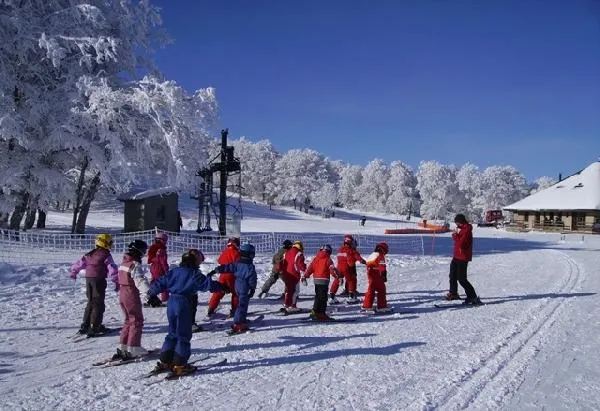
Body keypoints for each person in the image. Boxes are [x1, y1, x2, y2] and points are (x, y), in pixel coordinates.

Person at [147, 249, 227, 376]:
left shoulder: (174, 272)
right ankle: (180, 364)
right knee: (183, 335)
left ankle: (165, 360)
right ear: (194, 262)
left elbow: (161, 282)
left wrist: (151, 293)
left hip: (171, 303)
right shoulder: (194, 274)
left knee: (172, 333)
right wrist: (222, 287)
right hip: (184, 303)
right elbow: (207, 284)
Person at [111, 239, 154, 360]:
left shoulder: (124, 263)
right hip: (131, 294)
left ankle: (123, 346)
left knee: (128, 320)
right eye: (143, 251)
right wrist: (149, 294)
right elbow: (140, 281)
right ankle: (133, 347)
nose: (144, 254)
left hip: (122, 294)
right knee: (136, 320)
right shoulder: (134, 265)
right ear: (138, 251)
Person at [70, 233, 119, 337]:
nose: (111, 245)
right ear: (105, 243)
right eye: (110, 242)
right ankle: (95, 326)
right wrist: (116, 280)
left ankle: (85, 325)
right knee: (98, 302)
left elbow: (79, 263)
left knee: (91, 301)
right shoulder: (106, 254)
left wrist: (74, 272)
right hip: (99, 279)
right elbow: (112, 268)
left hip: (89, 279)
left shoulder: (90, 253)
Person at [208, 243, 258, 334]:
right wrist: (252, 288)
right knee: (242, 305)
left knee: (240, 303)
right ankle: (238, 323)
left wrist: (217, 270)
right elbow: (252, 279)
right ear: (250, 255)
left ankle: (241, 319)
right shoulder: (250, 267)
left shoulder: (238, 263)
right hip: (244, 286)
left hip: (237, 284)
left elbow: (228, 267)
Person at [445, 214, 482, 305]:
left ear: (461, 221)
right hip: (456, 255)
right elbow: (458, 241)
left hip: (463, 257)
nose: (456, 224)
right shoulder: (460, 228)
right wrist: (456, 234)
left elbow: (461, 243)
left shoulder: (467, 230)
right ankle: (453, 293)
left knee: (461, 278)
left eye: (457, 222)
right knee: (452, 275)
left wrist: (455, 235)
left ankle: (472, 296)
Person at [302, 244, 340, 321]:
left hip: (316, 281)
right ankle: (321, 314)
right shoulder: (328, 259)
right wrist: (338, 277)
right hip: (324, 280)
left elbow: (310, 268)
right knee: (323, 298)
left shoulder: (316, 259)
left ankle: (314, 312)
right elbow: (332, 270)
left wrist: (305, 276)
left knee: (318, 297)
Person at [206, 237, 240, 318]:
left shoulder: (225, 251)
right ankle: (235, 310)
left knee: (219, 291)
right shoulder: (236, 252)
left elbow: (219, 260)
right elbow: (238, 263)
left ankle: (211, 308)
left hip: (223, 275)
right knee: (236, 293)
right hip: (232, 275)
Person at [329, 234, 365, 304]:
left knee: (337, 280)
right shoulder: (351, 250)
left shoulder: (340, 249)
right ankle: (351, 297)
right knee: (350, 280)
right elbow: (357, 256)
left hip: (339, 267)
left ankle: (332, 296)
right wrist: (363, 261)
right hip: (347, 268)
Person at [361, 242, 392, 313]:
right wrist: (384, 274)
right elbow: (382, 266)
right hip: (376, 274)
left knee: (371, 290)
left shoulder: (372, 254)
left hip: (370, 274)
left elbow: (368, 264)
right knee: (381, 289)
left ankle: (367, 306)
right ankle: (382, 307)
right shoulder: (380, 255)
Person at [280, 240, 306, 313]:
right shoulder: (299, 253)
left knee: (288, 290)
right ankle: (292, 306)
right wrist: (304, 268)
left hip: (286, 274)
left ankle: (286, 304)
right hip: (294, 274)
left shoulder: (286, 253)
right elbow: (300, 265)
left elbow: (284, 263)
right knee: (295, 291)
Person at [147, 232, 169, 304]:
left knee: (154, 281)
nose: (165, 242)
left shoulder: (153, 247)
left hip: (153, 267)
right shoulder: (161, 249)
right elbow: (163, 261)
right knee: (164, 282)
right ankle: (165, 298)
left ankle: (151, 295)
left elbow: (150, 257)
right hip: (159, 267)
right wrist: (166, 270)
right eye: (165, 240)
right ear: (161, 240)